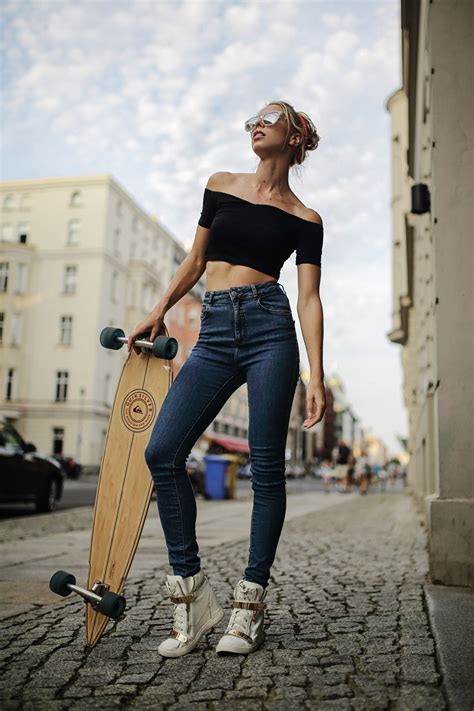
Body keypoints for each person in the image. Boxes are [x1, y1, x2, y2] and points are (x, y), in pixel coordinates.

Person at [128, 101, 326, 658]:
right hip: (214, 329)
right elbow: (195, 260)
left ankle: (249, 606)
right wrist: (159, 308)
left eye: (270, 117)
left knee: (267, 469)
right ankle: (191, 597)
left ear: (296, 138)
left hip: (270, 329)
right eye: (252, 120)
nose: (256, 124)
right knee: (162, 452)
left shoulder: (306, 219)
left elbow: (309, 298)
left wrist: (315, 373)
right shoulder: (220, 184)